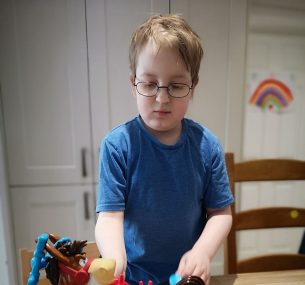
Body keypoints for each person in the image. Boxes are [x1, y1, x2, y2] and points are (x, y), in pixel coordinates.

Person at [95, 14, 234, 285]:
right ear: (133, 85)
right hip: (134, 278)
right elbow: (110, 217)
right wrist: (115, 260)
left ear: (193, 87)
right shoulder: (117, 146)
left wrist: (202, 252)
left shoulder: (208, 146)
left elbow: (220, 214)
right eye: (149, 84)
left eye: (176, 85)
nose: (162, 98)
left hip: (189, 278)